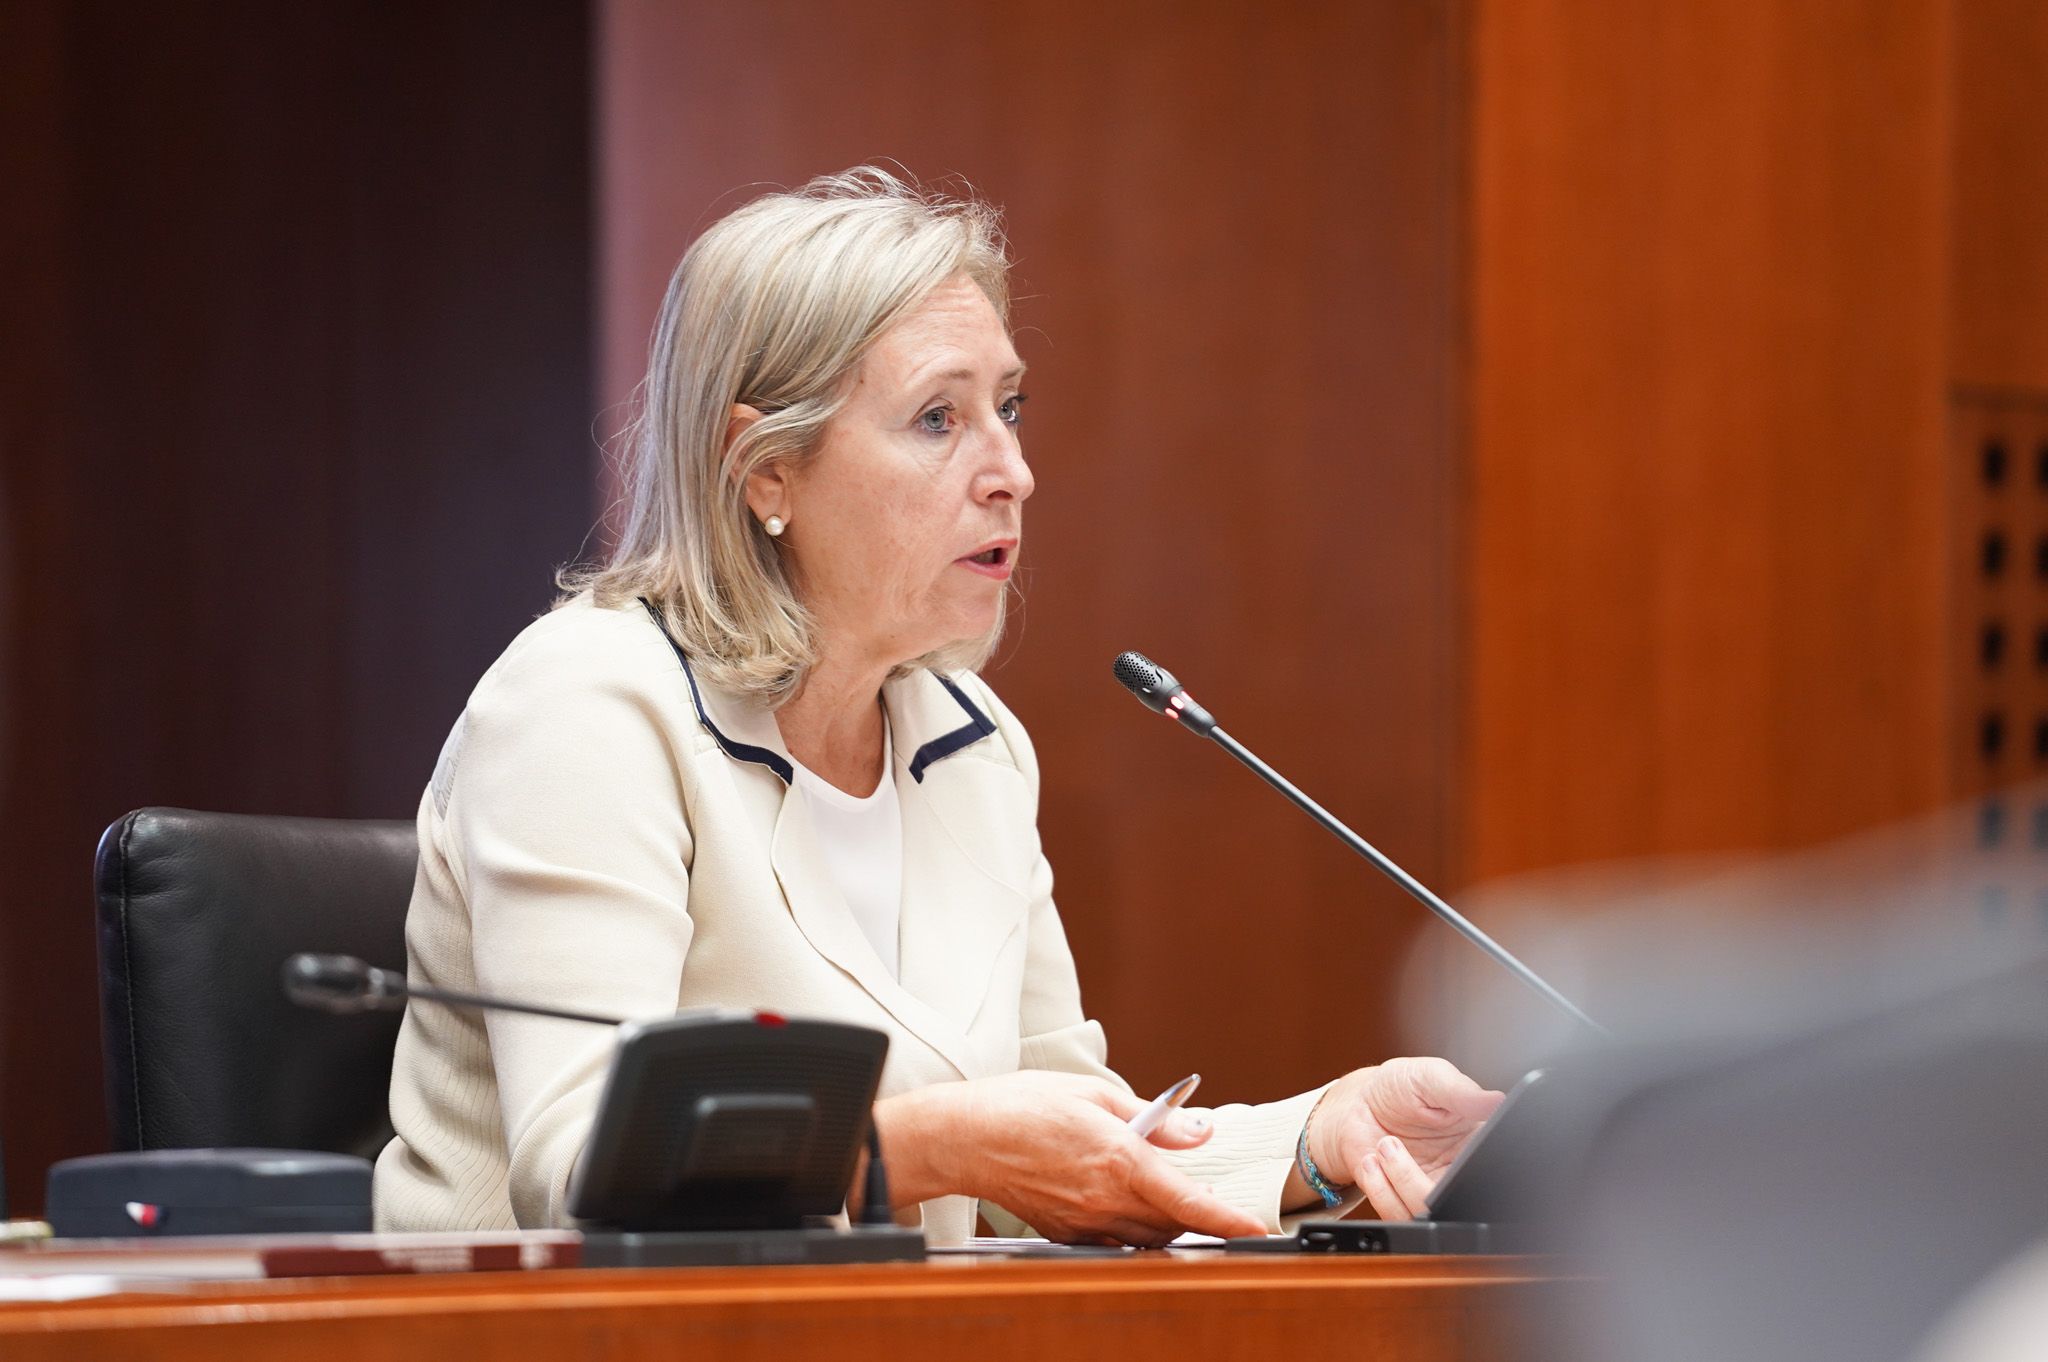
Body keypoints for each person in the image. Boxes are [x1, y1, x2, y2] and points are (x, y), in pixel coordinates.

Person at [374, 167, 1502, 1245]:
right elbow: (581, 1172)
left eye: (1008, 405)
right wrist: (945, 1144)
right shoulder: (589, 707)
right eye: (936, 419)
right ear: (762, 468)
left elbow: (1071, 1149)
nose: (1010, 469)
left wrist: (1319, 1140)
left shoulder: (970, 745)